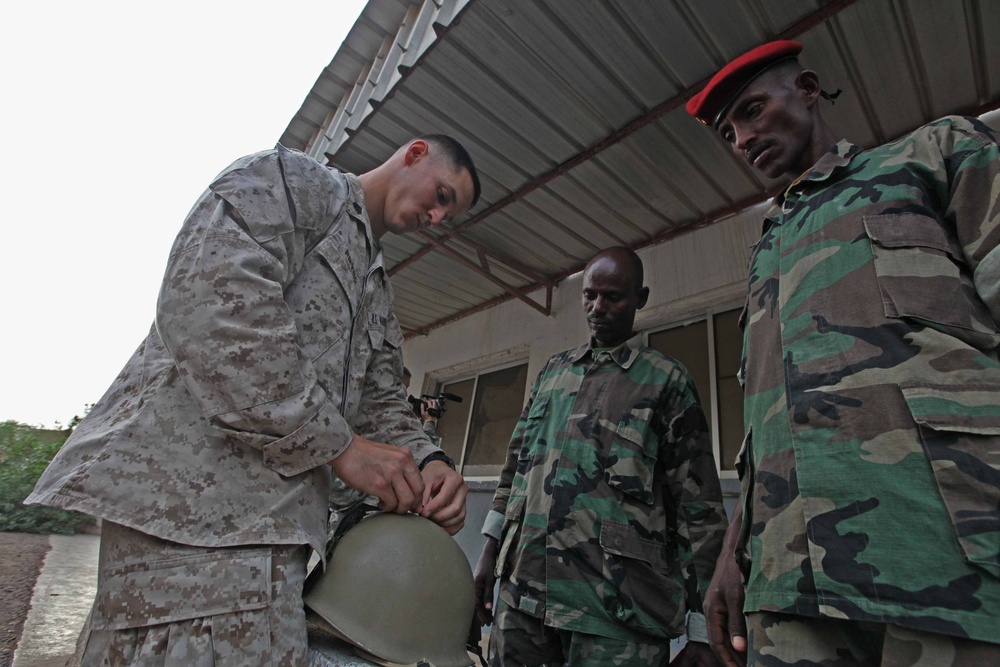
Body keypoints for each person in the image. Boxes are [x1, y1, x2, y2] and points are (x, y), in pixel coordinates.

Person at [26, 135, 481, 665]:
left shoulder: (374, 288)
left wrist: (430, 462)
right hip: (188, 526)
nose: (436, 215)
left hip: (273, 545)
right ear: (416, 153)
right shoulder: (294, 184)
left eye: (448, 214)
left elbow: (380, 399)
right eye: (443, 195)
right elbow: (213, 308)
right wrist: (340, 446)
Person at [685, 40, 1000, 666]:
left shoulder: (931, 156)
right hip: (790, 588)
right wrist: (731, 556)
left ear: (806, 88)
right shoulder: (767, 254)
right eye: (728, 132)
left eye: (751, 111)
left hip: (945, 562)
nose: (742, 139)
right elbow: (764, 426)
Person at [473, 247, 728, 667]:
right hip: (523, 601)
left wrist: (701, 630)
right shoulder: (553, 374)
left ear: (640, 298)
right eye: (590, 296)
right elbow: (515, 470)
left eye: (613, 297)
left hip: (617, 616)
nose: (598, 308)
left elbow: (698, 509)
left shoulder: (665, 381)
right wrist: (489, 552)